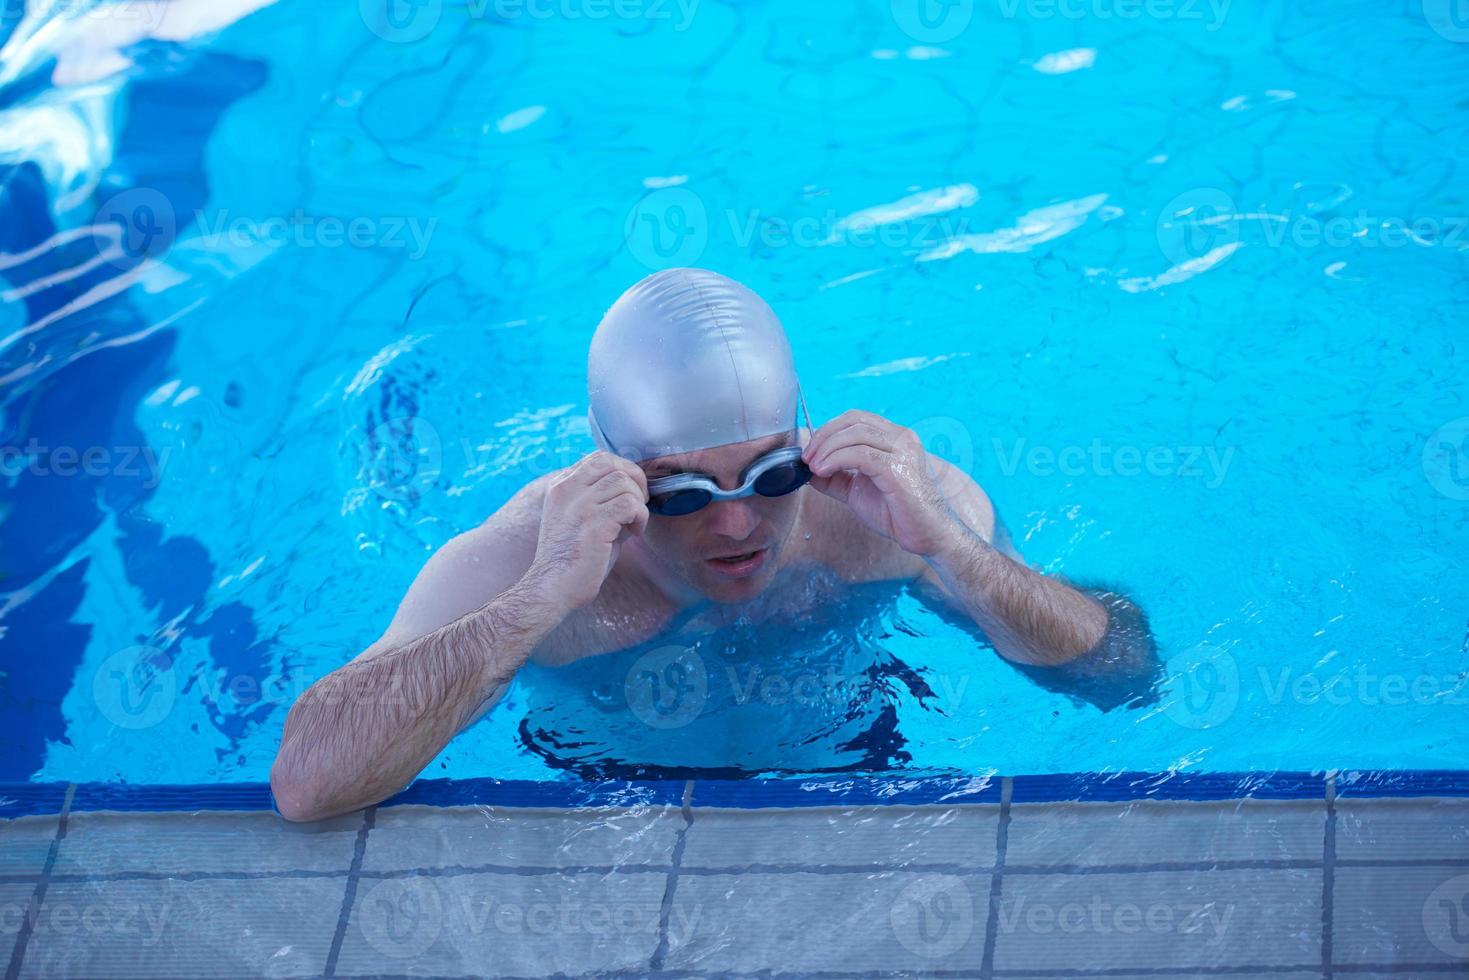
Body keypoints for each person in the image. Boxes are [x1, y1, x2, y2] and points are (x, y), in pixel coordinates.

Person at [270, 268, 1155, 821]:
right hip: (603, 794)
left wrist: (955, 552)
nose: (735, 525)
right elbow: (308, 785)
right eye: (681, 493)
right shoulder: (518, 559)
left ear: (806, 435)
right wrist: (541, 599)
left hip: (855, 773)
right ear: (612, 467)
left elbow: (1119, 671)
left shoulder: (888, 510)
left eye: (773, 478)